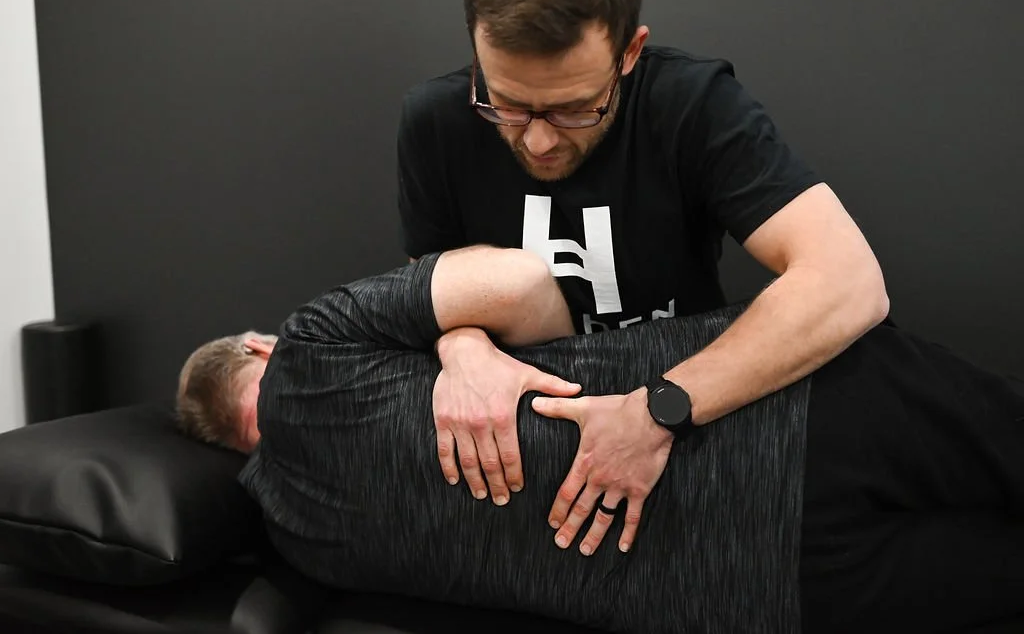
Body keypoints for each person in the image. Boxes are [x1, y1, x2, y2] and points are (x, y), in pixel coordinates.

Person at [176, 246, 1024, 634]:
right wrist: (463, 342)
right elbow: (531, 284)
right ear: (259, 347)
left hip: (771, 592)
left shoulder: (298, 541)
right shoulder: (312, 343)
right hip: (786, 406)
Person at [396, 0, 892, 529]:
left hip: (690, 432)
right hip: (536, 459)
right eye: (505, 105)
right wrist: (462, 349)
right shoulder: (433, 120)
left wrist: (656, 412)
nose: (536, 142)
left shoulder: (692, 104)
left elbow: (850, 281)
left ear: (629, 51)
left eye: (574, 110)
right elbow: (437, 288)